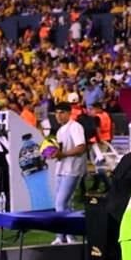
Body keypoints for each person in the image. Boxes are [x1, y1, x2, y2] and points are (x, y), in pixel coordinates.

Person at [51, 102, 86, 245]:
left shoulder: (75, 127)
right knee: (66, 204)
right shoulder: (60, 130)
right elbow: (61, 151)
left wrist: (63, 154)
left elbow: (81, 147)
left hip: (72, 169)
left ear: (69, 113)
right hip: (61, 169)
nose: (58, 116)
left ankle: (62, 236)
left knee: (60, 203)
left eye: (61, 112)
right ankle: (69, 235)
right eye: (56, 113)